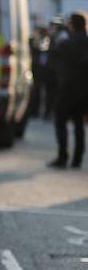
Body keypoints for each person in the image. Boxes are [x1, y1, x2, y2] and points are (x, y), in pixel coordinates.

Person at [47, 11, 88, 169]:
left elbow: (52, 58)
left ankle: (63, 156)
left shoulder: (67, 43)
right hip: (83, 92)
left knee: (61, 122)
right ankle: (77, 159)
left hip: (66, 90)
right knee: (79, 125)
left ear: (71, 26)